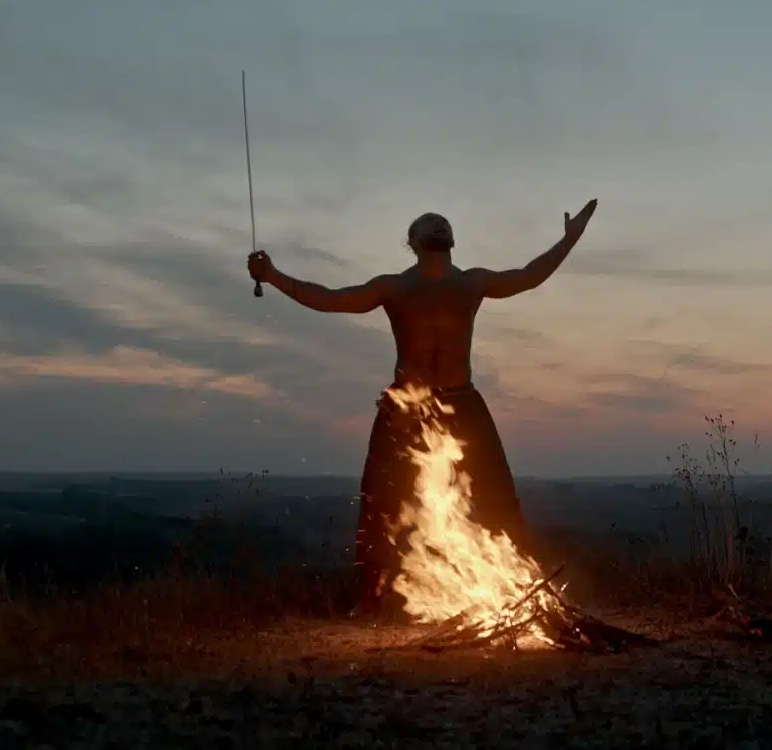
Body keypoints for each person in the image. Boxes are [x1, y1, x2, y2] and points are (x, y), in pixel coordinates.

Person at [246, 199, 599, 617]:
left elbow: (529, 276)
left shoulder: (472, 282)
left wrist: (569, 239)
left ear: (445, 240)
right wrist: (273, 276)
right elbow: (330, 299)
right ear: (413, 243)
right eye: (427, 223)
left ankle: (515, 591)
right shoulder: (395, 287)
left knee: (496, 497)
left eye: (440, 222)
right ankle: (374, 598)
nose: (435, 223)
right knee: (382, 501)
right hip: (407, 408)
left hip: (462, 404)